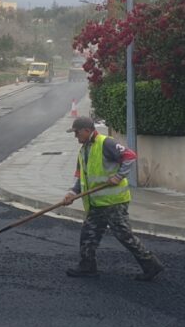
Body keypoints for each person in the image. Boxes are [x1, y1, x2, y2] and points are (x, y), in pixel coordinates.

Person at [63, 116, 164, 281]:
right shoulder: (83, 151)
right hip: (97, 203)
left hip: (114, 202)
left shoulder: (106, 143)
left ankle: (150, 264)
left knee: (124, 235)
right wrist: (71, 194)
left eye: (76, 133)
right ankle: (87, 266)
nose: (76, 136)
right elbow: (82, 178)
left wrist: (118, 176)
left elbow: (130, 156)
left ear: (87, 130)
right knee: (88, 234)